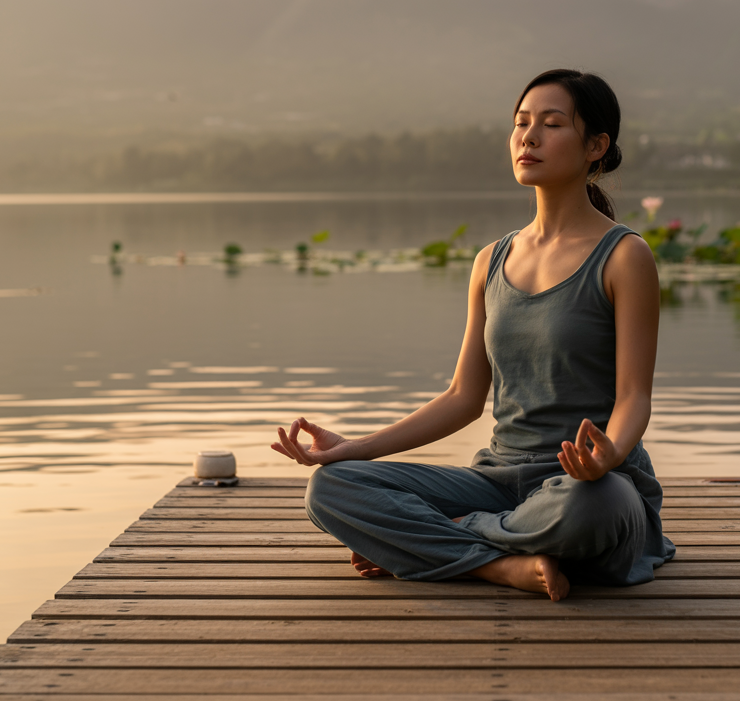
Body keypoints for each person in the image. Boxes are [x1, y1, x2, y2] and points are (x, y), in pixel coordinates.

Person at [271, 68, 675, 601]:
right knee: (332, 487)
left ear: (595, 147)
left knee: (595, 508)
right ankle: (501, 566)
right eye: (521, 123)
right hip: (497, 482)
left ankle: (447, 538)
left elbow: (634, 398)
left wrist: (609, 455)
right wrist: (354, 448)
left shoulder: (624, 256)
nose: (529, 137)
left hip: (587, 484)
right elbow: (463, 397)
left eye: (552, 124)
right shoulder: (491, 260)